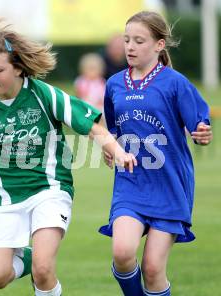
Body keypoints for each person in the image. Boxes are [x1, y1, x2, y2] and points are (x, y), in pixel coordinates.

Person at [0, 20, 137, 296]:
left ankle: (39, 265)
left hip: (50, 190)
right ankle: (29, 257)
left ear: (18, 68)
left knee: (44, 270)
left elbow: (88, 123)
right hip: (5, 199)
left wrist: (118, 151)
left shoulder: (42, 94)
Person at [98, 11, 213, 296]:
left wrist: (203, 133)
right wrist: (110, 147)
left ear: (159, 45)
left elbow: (200, 124)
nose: (130, 47)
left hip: (170, 185)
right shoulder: (114, 84)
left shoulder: (175, 83)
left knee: (152, 269)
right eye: (127, 40)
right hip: (131, 183)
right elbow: (111, 128)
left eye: (139, 40)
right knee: (123, 253)